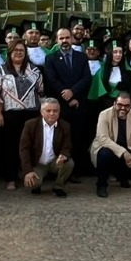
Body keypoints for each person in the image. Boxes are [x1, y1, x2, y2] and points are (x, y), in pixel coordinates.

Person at [0, 41, 45, 190]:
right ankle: (10, 178)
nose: (18, 53)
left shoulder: (35, 70)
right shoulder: (0, 70)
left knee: (29, 146)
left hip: (32, 114)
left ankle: (28, 174)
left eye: (21, 50)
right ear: (9, 53)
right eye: (15, 50)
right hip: (10, 115)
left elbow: (41, 93)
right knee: (11, 147)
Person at [42, 28, 93, 180]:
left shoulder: (82, 57)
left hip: (78, 104)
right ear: (56, 41)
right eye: (61, 38)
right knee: (60, 138)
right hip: (60, 106)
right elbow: (51, 80)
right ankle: (58, 170)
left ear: (71, 39)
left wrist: (73, 93)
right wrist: (67, 95)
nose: (64, 41)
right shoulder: (50, 58)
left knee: (77, 138)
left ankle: (75, 171)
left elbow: (86, 78)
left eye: (67, 37)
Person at [92, 93, 131, 197]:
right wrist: (123, 152)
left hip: (127, 149)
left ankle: (122, 176)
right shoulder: (104, 114)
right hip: (109, 148)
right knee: (105, 155)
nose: (123, 108)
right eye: (120, 104)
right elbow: (103, 139)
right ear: (114, 104)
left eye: (126, 106)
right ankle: (101, 185)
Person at [20, 98, 73, 197]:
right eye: (48, 111)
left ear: (59, 112)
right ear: (41, 112)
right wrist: (28, 171)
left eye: (55, 111)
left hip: (54, 162)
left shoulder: (65, 126)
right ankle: (37, 185)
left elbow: (67, 146)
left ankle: (58, 187)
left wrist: (63, 155)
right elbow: (24, 149)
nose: (52, 113)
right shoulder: (30, 125)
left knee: (69, 163)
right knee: (33, 184)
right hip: (37, 163)